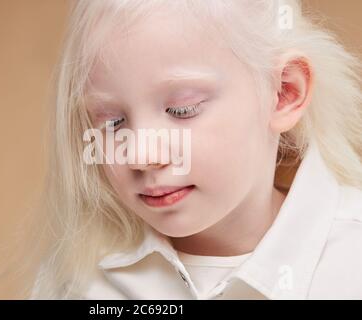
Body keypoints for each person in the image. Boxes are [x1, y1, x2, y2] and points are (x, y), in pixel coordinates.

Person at [29, 0, 362, 299]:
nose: (140, 156)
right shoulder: (78, 282)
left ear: (283, 92)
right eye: (113, 122)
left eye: (182, 110)